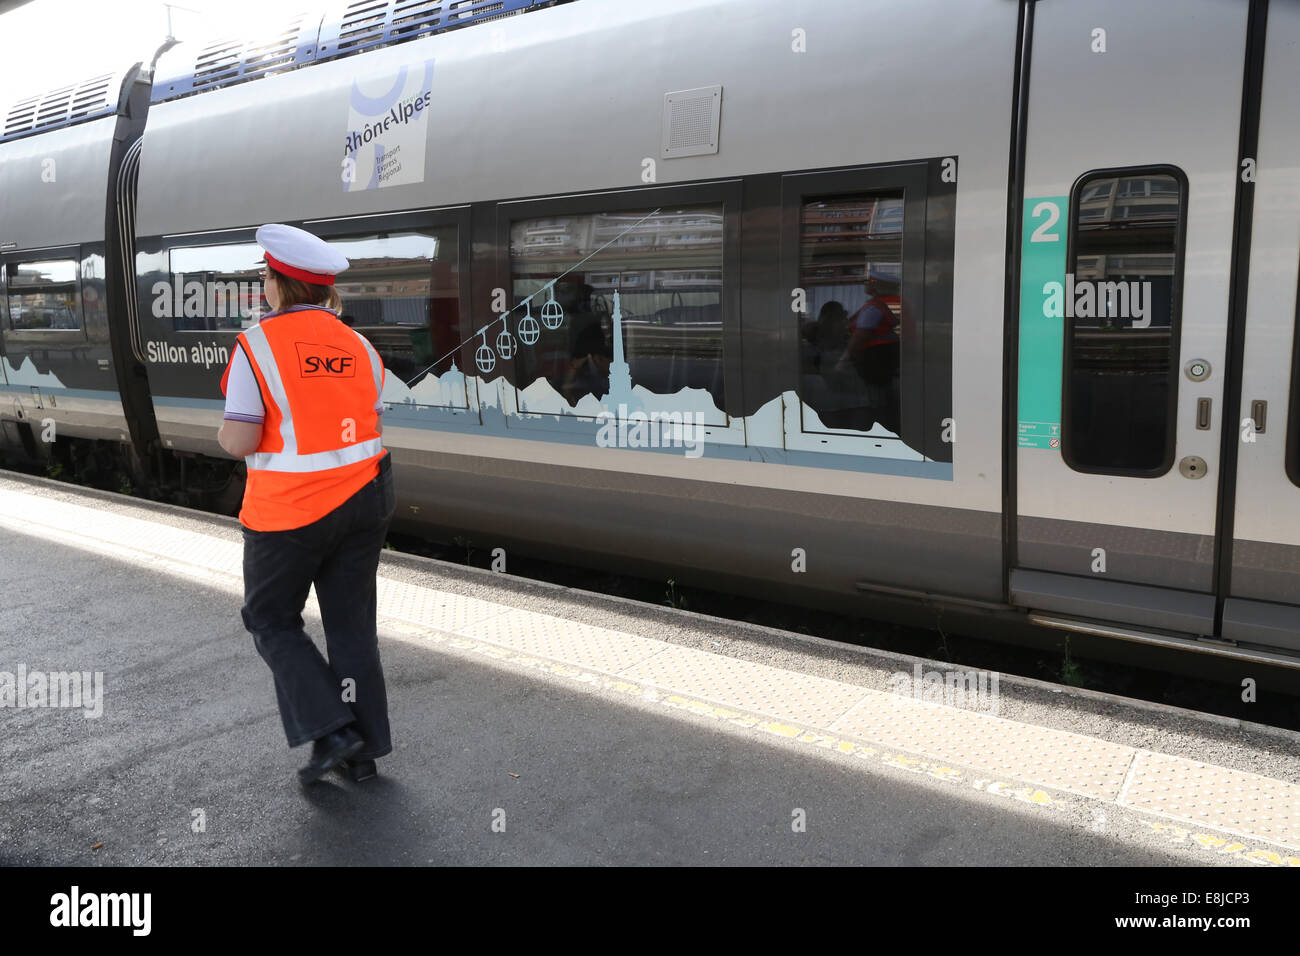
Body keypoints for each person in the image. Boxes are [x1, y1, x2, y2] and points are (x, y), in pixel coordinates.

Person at [217, 223, 396, 786]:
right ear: (322, 291)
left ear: (275, 285)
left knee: (269, 619)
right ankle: (361, 751)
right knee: (351, 631)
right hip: (366, 499)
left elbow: (241, 440)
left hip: (290, 512)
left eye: (265, 279)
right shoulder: (360, 346)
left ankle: (333, 730)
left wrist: (223, 437)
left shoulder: (257, 345)